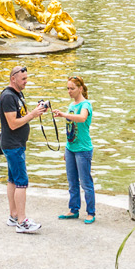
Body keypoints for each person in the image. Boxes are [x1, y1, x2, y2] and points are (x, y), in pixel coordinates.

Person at [0, 65, 46, 233]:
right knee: (21, 182)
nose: (26, 81)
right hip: (13, 145)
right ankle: (22, 221)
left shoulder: (17, 95)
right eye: (23, 79)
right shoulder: (8, 97)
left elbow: (21, 117)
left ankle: (13, 215)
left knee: (12, 180)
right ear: (13, 78)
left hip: (16, 144)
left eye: (27, 78)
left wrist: (35, 111)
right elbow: (12, 124)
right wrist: (32, 114)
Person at [56, 76, 95, 223]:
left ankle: (91, 212)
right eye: (67, 88)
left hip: (83, 149)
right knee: (72, 182)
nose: (69, 91)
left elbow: (82, 118)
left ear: (80, 89)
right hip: (71, 148)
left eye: (72, 88)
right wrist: (67, 149)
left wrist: (65, 114)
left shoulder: (85, 105)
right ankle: (73, 209)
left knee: (85, 182)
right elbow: (69, 128)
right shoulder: (71, 105)